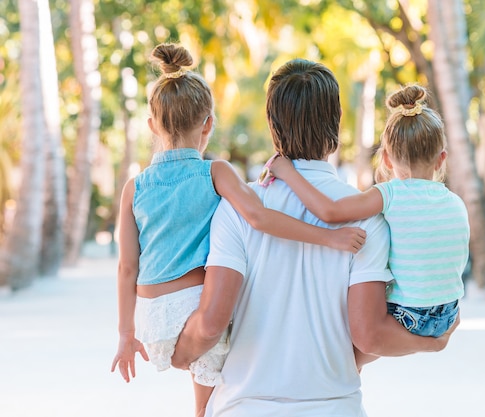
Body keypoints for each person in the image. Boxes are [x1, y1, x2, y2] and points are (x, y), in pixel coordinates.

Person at [171, 59, 460, 416]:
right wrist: (433, 343)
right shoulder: (370, 219)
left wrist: (178, 353)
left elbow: (212, 323)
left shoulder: (236, 209)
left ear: (271, 124)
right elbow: (368, 337)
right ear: (337, 121)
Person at [109, 45, 366, 417]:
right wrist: (329, 236)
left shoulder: (134, 188)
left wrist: (125, 334)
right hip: (194, 313)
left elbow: (126, 268)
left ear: (152, 125)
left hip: (151, 320)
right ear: (207, 124)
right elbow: (260, 218)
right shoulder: (216, 174)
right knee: (212, 367)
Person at [270, 84, 469, 341]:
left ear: (386, 159)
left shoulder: (390, 194)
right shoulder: (456, 202)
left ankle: (350, 365)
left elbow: (329, 212)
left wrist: (287, 172)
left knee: (354, 326)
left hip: (410, 315)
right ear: (441, 159)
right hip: (449, 314)